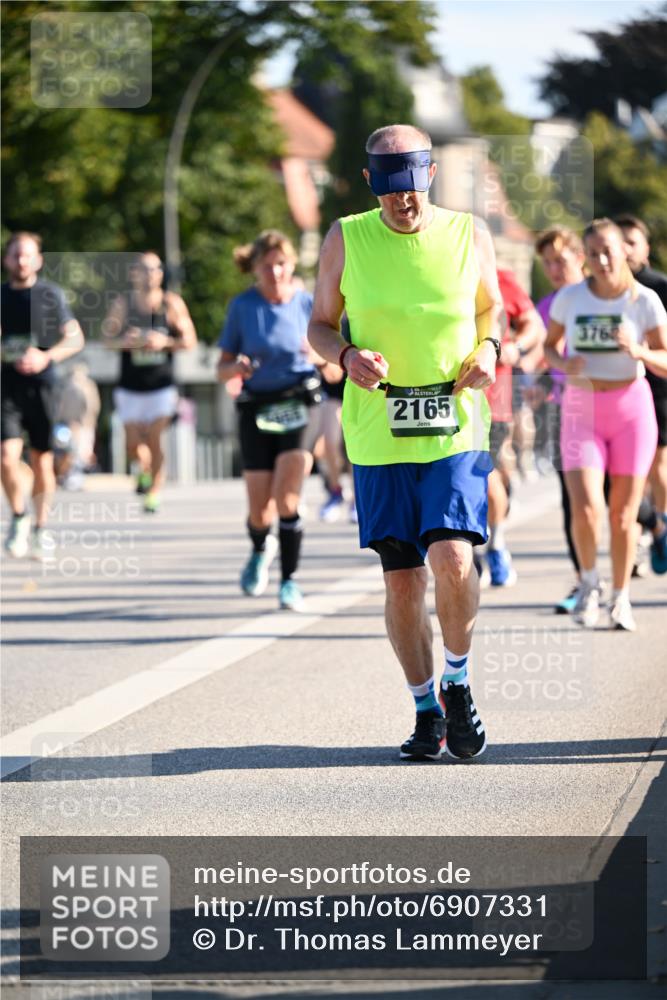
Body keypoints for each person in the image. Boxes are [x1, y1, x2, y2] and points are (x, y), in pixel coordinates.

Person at [308, 124, 502, 761]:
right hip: (378, 431)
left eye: (411, 185)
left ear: (430, 175)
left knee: (452, 558)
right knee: (402, 583)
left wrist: (491, 351)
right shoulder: (347, 237)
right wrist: (344, 353)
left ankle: (457, 681)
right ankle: (424, 708)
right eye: (389, 188)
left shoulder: (470, 233)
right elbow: (318, 324)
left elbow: (489, 312)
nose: (403, 200)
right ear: (371, 183)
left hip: (455, 421)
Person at [544, 218, 667, 631]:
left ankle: (620, 598)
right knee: (586, 506)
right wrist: (564, 363)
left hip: (631, 409)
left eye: (607, 251)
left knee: (622, 514)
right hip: (581, 408)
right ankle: (589, 584)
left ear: (624, 252)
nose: (600, 260)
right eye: (592, 253)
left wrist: (640, 352)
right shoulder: (571, 298)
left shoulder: (644, 300)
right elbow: (549, 348)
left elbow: (666, 360)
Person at [217, 230, 328, 612]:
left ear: (292, 265)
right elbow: (220, 369)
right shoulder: (242, 307)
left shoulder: (308, 305)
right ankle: (259, 547)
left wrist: (317, 356)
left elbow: (333, 369)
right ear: (256, 268)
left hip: (300, 402)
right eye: (268, 266)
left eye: (282, 264)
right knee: (259, 509)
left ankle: (289, 581)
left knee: (287, 497)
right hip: (257, 407)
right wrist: (237, 366)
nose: (276, 272)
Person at [1, 231, 84, 558]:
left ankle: (41, 528)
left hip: (43, 387)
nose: (21, 261)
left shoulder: (50, 295)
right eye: (15, 255)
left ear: (38, 260)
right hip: (6, 386)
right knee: (6, 458)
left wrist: (45, 356)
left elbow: (74, 339)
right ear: (6, 259)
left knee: (41, 460)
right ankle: (19, 517)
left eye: (27, 255)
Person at [102, 251, 197, 513]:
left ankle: (154, 491)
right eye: (144, 269)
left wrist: (164, 342)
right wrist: (127, 342)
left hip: (162, 387)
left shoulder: (171, 304)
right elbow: (107, 340)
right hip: (130, 387)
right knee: (134, 445)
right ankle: (143, 470)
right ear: (134, 273)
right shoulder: (123, 304)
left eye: (155, 269)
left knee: (155, 439)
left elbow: (189, 341)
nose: (150, 275)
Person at [535, 226, 587, 611]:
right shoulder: (547, 307)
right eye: (547, 262)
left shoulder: (604, 298)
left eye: (560, 259)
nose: (554, 268)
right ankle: (583, 581)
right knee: (573, 499)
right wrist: (538, 383)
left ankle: (653, 524)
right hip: (564, 409)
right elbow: (543, 355)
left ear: (579, 257)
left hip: (612, 405)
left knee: (616, 498)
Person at [481, 267, 544, 587]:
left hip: (493, 400)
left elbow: (534, 323)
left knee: (489, 481)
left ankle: (496, 545)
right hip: (441, 401)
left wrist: (516, 347)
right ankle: (469, 550)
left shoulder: (500, 277)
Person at [615, 213, 667, 574]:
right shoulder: (603, 289)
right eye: (622, 242)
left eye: (632, 242)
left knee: (657, 467)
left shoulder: (658, 287)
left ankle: (659, 528)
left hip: (657, 385)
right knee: (625, 475)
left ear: (646, 248)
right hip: (616, 394)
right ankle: (639, 536)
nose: (627, 249)